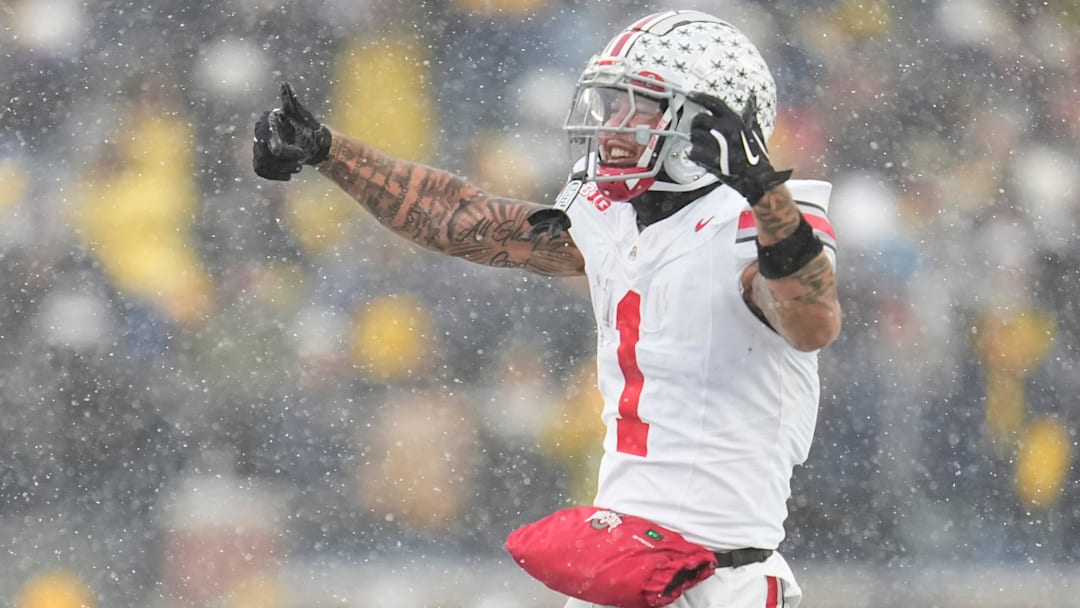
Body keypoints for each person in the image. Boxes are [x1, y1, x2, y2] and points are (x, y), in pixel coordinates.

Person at [254, 9, 840, 608]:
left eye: (635, 107)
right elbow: (464, 220)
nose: (611, 125)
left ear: (705, 124)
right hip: (622, 562)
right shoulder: (610, 215)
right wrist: (330, 152)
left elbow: (811, 320)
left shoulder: (760, 221)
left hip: (722, 579)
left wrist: (764, 191)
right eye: (610, 105)